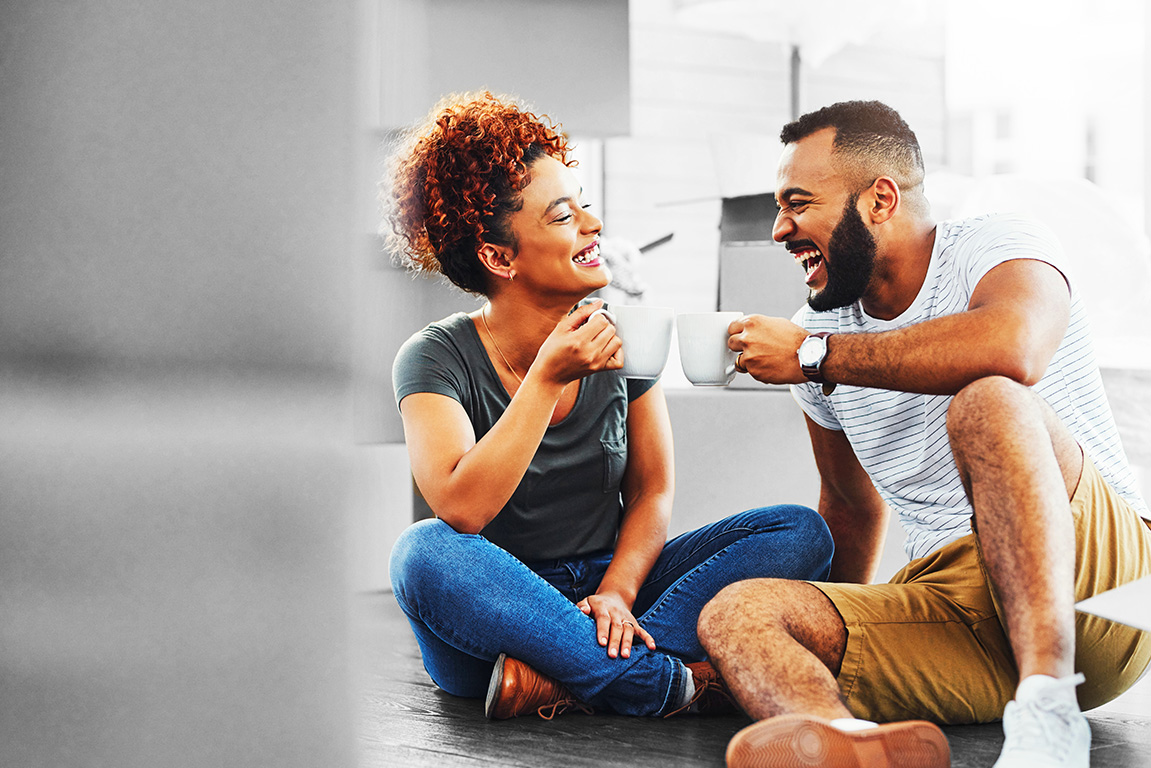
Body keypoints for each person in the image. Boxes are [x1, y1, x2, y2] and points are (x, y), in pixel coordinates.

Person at [698, 100, 1151, 768]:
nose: (777, 229)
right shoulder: (815, 335)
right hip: (961, 617)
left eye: (797, 203)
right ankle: (846, 743)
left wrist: (815, 357)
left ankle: (1048, 707)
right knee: (736, 613)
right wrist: (828, 622)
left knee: (986, 400)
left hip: (1099, 588)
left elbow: (1014, 348)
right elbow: (850, 508)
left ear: (880, 199)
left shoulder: (993, 245)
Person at [384, 92, 834, 720]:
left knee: (799, 531)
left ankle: (563, 680)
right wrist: (545, 380)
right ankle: (654, 681)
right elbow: (461, 509)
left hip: (614, 588)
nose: (594, 226)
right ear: (498, 257)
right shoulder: (433, 357)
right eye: (564, 215)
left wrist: (617, 594)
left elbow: (652, 491)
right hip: (497, 609)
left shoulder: (624, 336)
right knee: (421, 552)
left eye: (586, 207)